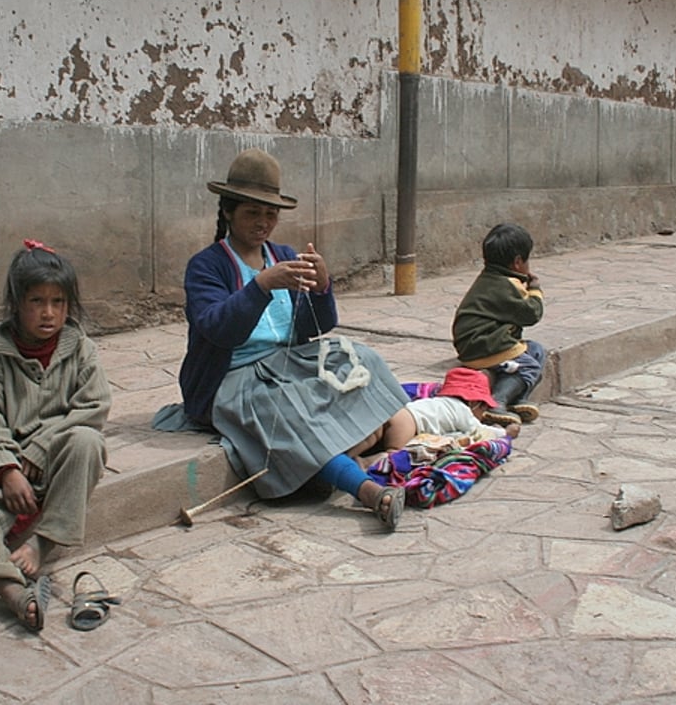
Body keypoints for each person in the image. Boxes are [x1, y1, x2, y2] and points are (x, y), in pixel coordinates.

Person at [178, 148, 411, 530]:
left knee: (361, 358)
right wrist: (261, 286)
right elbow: (218, 329)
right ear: (228, 212)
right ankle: (367, 490)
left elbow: (314, 328)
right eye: (252, 212)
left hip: (287, 362)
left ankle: (329, 458)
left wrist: (321, 287)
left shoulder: (282, 254)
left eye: (270, 213)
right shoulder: (207, 265)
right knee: (284, 405)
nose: (263, 222)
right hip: (233, 375)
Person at [0, 239, 110, 632]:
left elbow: (94, 407)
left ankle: (42, 543)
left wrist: (42, 444)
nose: (48, 313)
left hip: (58, 459)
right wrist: (6, 469)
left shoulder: (81, 350)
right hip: (12, 465)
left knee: (88, 442)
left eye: (58, 302)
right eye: (37, 301)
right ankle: (8, 587)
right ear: (17, 304)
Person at [451, 222, 546, 426]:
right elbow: (531, 314)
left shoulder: (493, 278)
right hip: (484, 344)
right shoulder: (506, 285)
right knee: (530, 366)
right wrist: (535, 290)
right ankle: (498, 402)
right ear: (518, 262)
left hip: (485, 341)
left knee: (537, 350)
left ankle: (518, 400)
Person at [372, 367, 520, 455]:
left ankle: (351, 456)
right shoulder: (464, 412)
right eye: (484, 408)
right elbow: (477, 430)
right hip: (408, 424)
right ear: (474, 402)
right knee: (393, 454)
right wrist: (505, 433)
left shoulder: (440, 403)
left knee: (370, 438)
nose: (483, 415)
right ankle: (364, 463)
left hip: (397, 412)